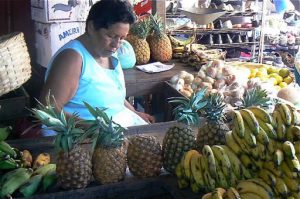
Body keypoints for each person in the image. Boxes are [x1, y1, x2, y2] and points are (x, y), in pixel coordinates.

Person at [39, 0, 155, 135]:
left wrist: (134, 113)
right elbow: (47, 110)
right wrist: (92, 128)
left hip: (113, 130)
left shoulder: (108, 51)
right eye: (111, 36)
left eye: (122, 38)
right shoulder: (72, 58)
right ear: (91, 27)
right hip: (82, 138)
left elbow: (111, 96)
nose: (116, 44)